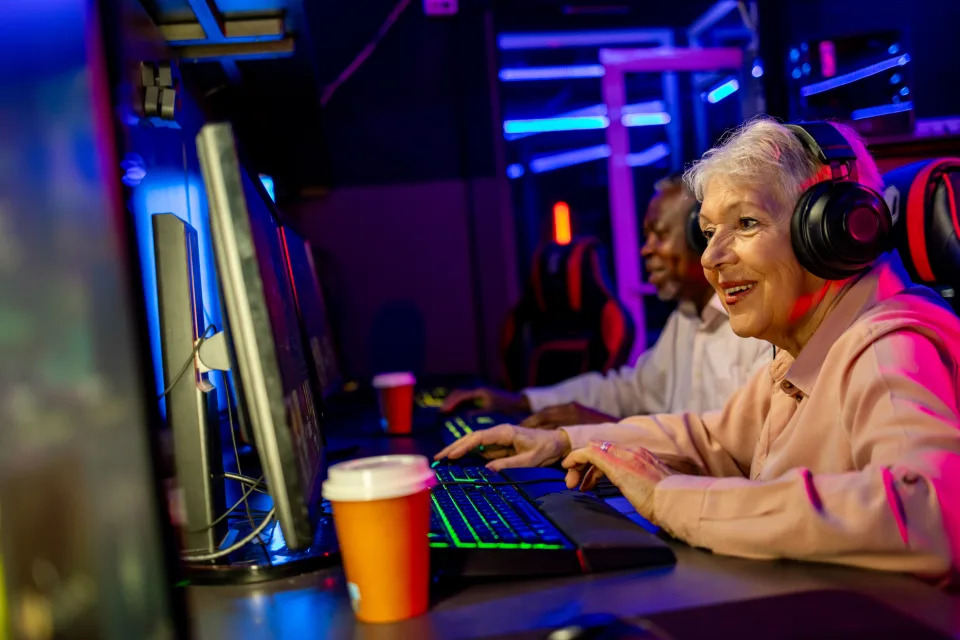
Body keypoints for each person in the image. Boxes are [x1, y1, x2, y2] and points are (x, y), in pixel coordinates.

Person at [436, 117, 960, 578]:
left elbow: (929, 515)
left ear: (829, 232)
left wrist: (669, 497)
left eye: (746, 224)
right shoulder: (804, 354)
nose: (712, 257)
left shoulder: (887, 346)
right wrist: (567, 441)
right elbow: (713, 438)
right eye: (709, 232)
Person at [441, 176, 771, 428]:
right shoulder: (685, 319)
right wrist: (523, 402)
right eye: (646, 237)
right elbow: (631, 390)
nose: (646, 249)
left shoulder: (755, 326)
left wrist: (607, 432)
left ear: (702, 236)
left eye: (659, 234)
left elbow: (733, 448)